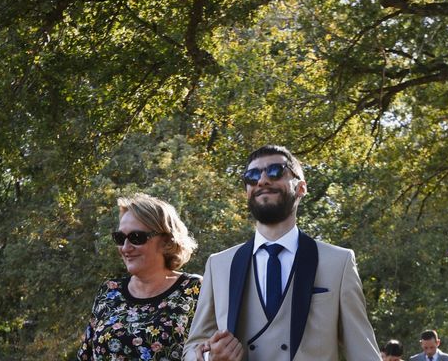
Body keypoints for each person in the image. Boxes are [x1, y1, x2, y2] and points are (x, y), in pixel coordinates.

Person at [183, 144, 381, 360]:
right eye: (252, 175)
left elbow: (362, 350)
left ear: (301, 188)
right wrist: (210, 357)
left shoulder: (338, 262)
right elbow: (193, 347)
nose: (263, 180)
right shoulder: (219, 264)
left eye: (276, 171)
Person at [77, 193, 202, 360]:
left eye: (136, 237)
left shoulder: (194, 290)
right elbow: (86, 355)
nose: (126, 248)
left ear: (166, 241)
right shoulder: (109, 291)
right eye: (120, 238)